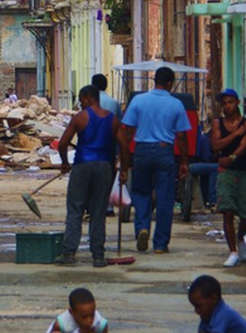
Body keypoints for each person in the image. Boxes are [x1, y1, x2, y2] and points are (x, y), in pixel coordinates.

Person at [55, 85, 129, 267]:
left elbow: (63, 143)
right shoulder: (112, 119)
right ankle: (98, 255)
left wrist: (65, 163)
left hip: (82, 165)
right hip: (105, 166)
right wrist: (124, 168)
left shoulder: (80, 117)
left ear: (88, 98)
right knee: (98, 211)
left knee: (75, 209)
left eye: (81, 99)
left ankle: (69, 253)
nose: (80, 103)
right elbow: (125, 146)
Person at [122, 67, 191, 254]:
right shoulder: (176, 104)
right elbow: (182, 136)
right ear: (170, 83)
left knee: (141, 192)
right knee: (165, 197)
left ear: (154, 80)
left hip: (141, 150)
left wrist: (123, 158)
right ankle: (160, 244)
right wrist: (184, 162)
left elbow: (127, 132)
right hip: (164, 151)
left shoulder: (138, 101)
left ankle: (142, 228)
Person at [211, 89, 246, 268]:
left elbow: (244, 146)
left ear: (237, 102)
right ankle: (233, 251)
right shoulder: (218, 123)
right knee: (227, 210)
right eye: (224, 103)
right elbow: (216, 145)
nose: (226, 106)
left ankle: (240, 239)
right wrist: (235, 135)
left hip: (242, 171)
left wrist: (231, 158)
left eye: (230, 102)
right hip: (225, 173)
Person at [92, 73, 122, 216]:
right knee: (108, 176)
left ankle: (94, 204)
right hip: (109, 144)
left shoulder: (89, 102)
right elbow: (119, 125)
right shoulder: (113, 103)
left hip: (91, 144)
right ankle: (108, 207)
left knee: (92, 177)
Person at [188, 124, 218, 209]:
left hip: (197, 164)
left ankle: (205, 199)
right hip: (193, 165)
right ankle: (212, 200)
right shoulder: (204, 139)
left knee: (207, 173)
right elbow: (207, 158)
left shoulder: (205, 138)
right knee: (215, 168)